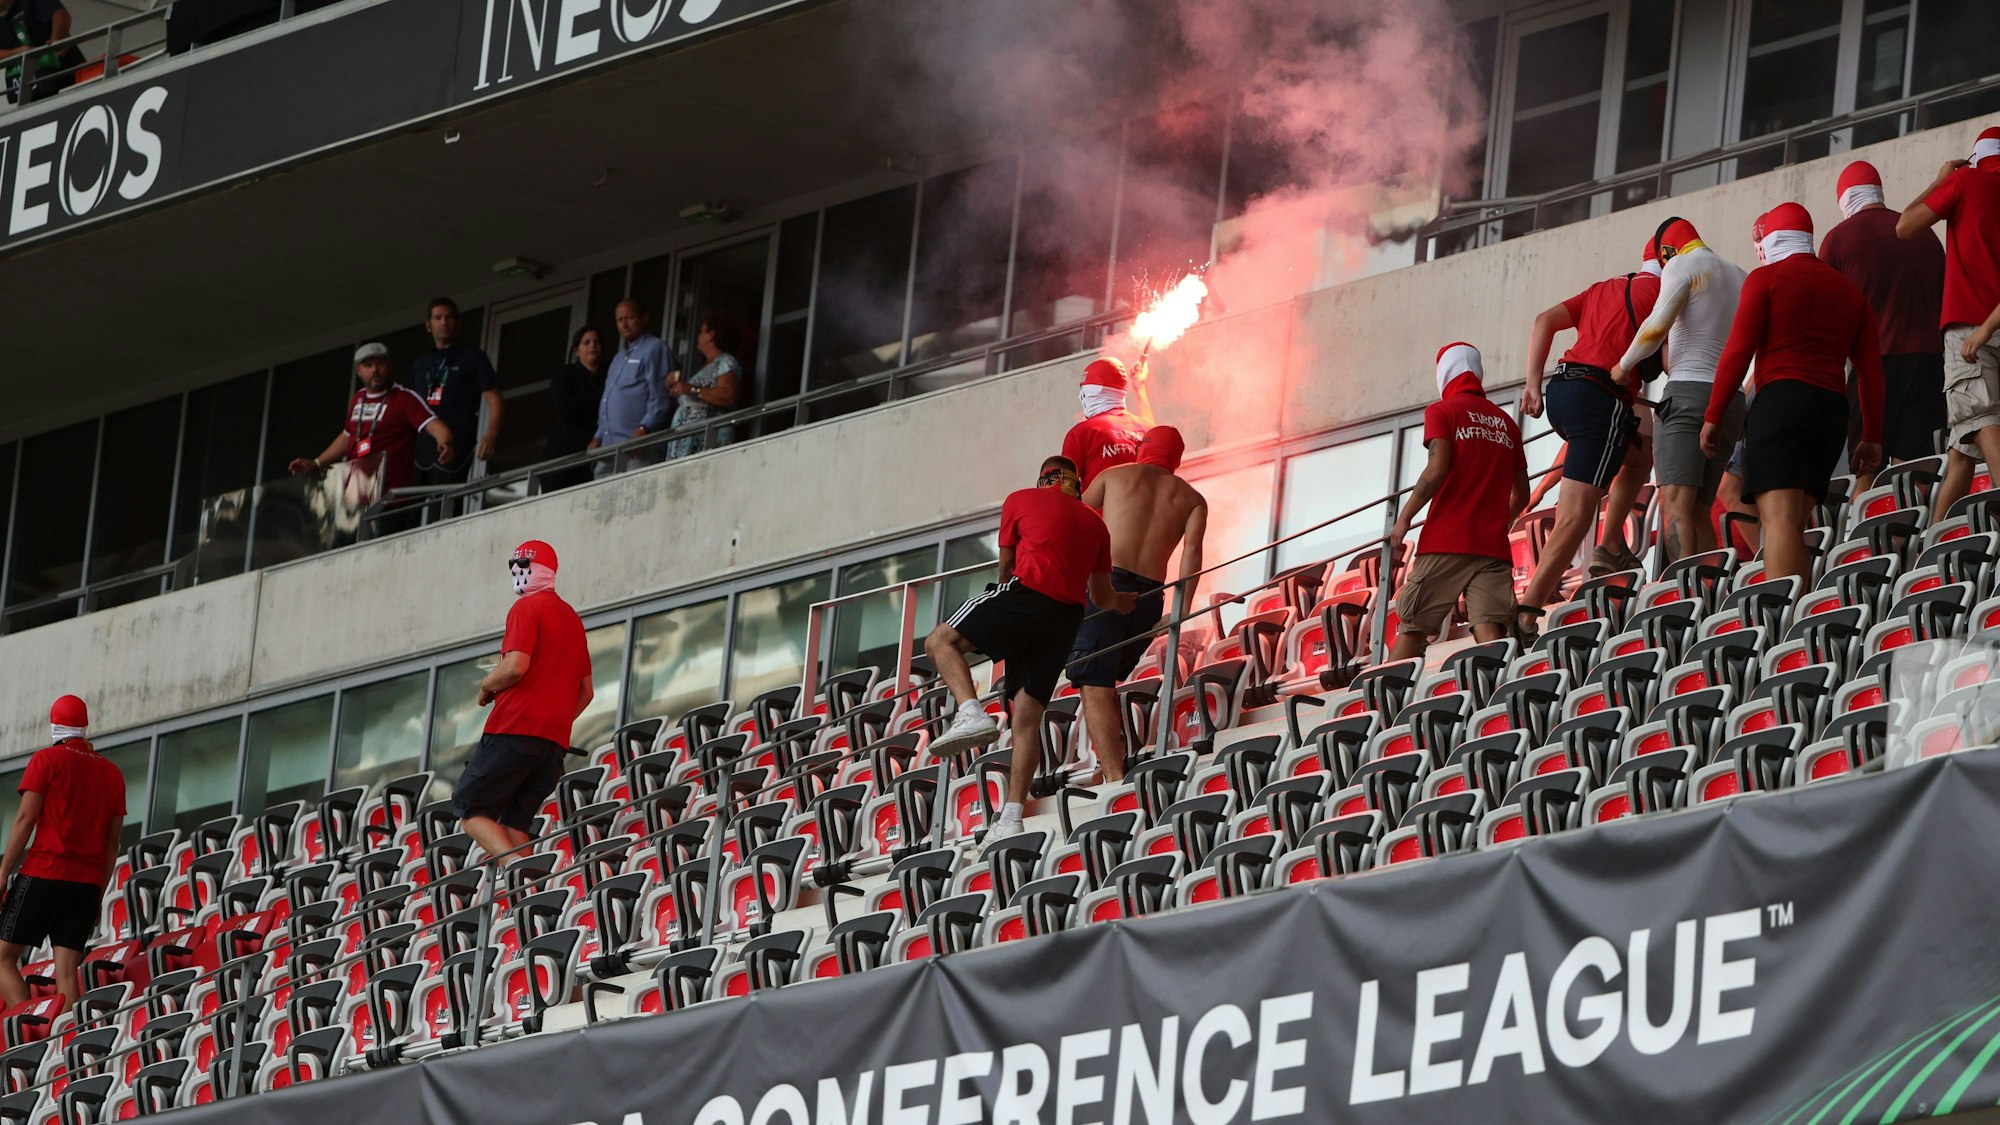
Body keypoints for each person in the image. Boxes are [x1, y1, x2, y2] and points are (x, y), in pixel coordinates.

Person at [923, 457, 1134, 842]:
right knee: (1026, 718)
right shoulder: (1096, 524)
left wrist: (1006, 609)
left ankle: (971, 712)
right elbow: (1102, 597)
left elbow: (1006, 567)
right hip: (1065, 619)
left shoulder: (1020, 499)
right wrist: (1125, 603)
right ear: (1077, 484)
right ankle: (1012, 817)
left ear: (1042, 479)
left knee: (939, 641)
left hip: (1027, 594)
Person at [1704, 204, 1883, 582]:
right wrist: (1870, 436)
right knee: (1793, 524)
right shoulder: (1850, 293)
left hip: (1781, 401)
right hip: (1831, 411)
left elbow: (1738, 351)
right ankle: (1798, 608)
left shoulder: (1766, 278)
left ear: (1770, 240)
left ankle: (1784, 615)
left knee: (1779, 520)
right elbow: (1870, 373)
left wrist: (1714, 415)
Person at [1516, 242, 1660, 638]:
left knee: (1638, 452)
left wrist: (1531, 385)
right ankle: (1525, 613)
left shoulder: (1603, 287)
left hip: (1561, 391)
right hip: (1600, 396)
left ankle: (1610, 544)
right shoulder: (1665, 292)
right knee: (1576, 517)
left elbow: (1544, 320)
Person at [1066, 426, 1207, 783]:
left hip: (1110, 586)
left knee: (1093, 681)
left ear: (1142, 449)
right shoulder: (1192, 499)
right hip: (1149, 599)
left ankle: (1114, 775)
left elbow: (1070, 518)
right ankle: (1110, 763)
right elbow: (1192, 555)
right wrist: (1181, 609)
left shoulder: (1115, 475)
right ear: (1177, 458)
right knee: (1106, 678)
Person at [1611, 217, 1749, 562]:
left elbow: (1656, 325)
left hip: (1689, 392)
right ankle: (1710, 589)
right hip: (1731, 400)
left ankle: (1685, 586)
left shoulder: (1681, 265)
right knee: (1701, 508)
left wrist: (1624, 366)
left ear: (1667, 251)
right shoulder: (1740, 275)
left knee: (1675, 504)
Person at [1387, 343, 1529, 661]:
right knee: (1491, 632)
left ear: (1444, 373)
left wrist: (1404, 518)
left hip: (1446, 540)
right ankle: (1498, 692)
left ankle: (1382, 694)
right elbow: (1522, 495)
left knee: (1412, 628)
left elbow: (1436, 470)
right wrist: (1496, 523)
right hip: (1492, 547)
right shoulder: (1506, 423)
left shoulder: (1442, 411)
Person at [454, 540, 592, 865]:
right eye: (513, 565)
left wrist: (486, 684)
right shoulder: (572, 620)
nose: (517, 571)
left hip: (513, 729)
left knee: (471, 809)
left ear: (542, 571)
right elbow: (586, 692)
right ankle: (530, 890)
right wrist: (554, 722)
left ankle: (514, 871)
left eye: (524, 565)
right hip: (552, 745)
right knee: (515, 824)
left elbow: (515, 666)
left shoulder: (526, 607)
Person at [1820, 160, 1946, 491]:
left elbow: (1822, 314)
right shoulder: (1924, 233)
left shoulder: (1838, 240)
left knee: (1866, 469)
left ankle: (1865, 524)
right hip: (1928, 362)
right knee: (1917, 469)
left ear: (1844, 198)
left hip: (1871, 368)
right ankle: (1916, 523)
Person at [1898, 127, 2000, 522]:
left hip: (1969, 330)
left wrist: (1939, 182)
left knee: (1982, 421)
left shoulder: (1964, 182)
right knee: (1961, 452)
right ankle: (1932, 542)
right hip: (1992, 323)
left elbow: (1904, 226)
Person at [0, 696, 124, 1013]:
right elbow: (112, 844)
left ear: (54, 725)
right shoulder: (112, 774)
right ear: (84, 727)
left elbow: (25, 819)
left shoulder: (46, 760)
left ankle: (30, 1026)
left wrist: (2, 873)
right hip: (86, 885)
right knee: (67, 973)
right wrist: (98, 895)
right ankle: (64, 1037)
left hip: (44, 873)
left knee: (2, 959)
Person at [289, 343, 453, 535]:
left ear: (389, 366)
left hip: (390, 502)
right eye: (368, 365)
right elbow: (347, 436)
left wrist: (445, 443)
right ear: (359, 370)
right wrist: (316, 463)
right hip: (355, 501)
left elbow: (435, 425)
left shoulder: (404, 398)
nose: (374, 370)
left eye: (380, 363)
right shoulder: (357, 399)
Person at [410, 298, 503, 508]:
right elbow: (412, 406)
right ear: (428, 325)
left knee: (444, 505)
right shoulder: (421, 363)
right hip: (422, 443)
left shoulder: (472, 357)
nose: (444, 322)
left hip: (457, 439)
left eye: (449, 317)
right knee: (407, 506)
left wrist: (490, 434)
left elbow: (494, 397)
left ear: (458, 323)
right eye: (438, 318)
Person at [591, 300, 673, 475]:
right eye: (620, 320)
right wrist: (598, 436)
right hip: (608, 447)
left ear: (644, 319)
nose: (624, 324)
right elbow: (608, 399)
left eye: (630, 318)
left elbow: (660, 397)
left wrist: (643, 429)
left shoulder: (655, 348)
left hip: (638, 446)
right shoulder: (618, 358)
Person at [1061, 357, 1154, 490]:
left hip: (1102, 504)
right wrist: (1140, 388)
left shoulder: (1082, 433)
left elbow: (1064, 489)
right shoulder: (1147, 429)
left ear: (1095, 389)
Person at [663, 312, 744, 460]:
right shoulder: (706, 367)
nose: (698, 336)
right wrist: (675, 386)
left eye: (702, 331)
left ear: (711, 335)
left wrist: (691, 389)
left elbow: (729, 395)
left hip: (705, 443)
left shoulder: (726, 362)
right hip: (684, 444)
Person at [543, 326, 608, 492]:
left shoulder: (609, 374)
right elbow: (565, 407)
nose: (592, 345)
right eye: (586, 342)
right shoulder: (565, 374)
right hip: (565, 452)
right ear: (576, 351)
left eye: (596, 342)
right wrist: (601, 397)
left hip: (598, 450)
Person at [1, 0, 80, 104]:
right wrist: (17, 53)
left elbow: (60, 14)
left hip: (66, 77)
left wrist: (57, 39)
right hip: (30, 93)